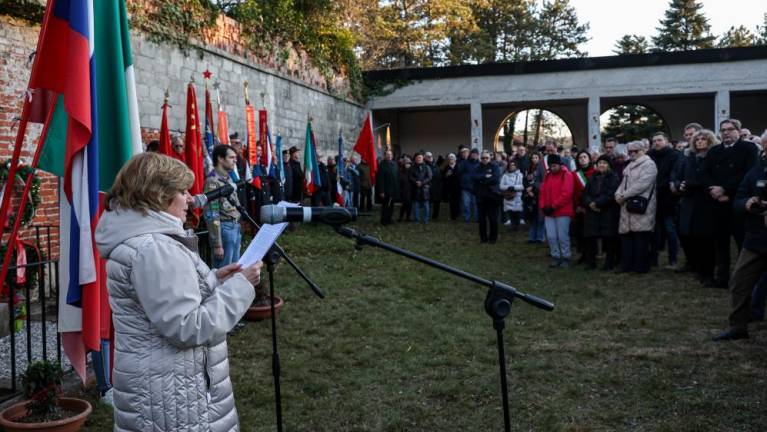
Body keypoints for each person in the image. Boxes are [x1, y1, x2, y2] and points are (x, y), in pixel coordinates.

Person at [94, 152, 261, 431]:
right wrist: (241, 287)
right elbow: (188, 327)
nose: (190, 198)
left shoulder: (144, 243)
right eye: (182, 191)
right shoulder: (154, 249)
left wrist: (215, 280)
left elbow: (165, 303)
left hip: (164, 388)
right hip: (174, 395)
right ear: (158, 195)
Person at [713, 154, 767, 341]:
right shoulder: (755, 172)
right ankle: (738, 327)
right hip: (756, 239)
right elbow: (737, 201)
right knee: (739, 283)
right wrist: (747, 203)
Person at [702, 119, 758, 287]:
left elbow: (747, 173)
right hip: (717, 202)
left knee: (742, 243)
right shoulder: (714, 151)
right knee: (720, 243)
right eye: (723, 130)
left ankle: (745, 279)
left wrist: (725, 189)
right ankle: (722, 278)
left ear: (738, 131)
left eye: (730, 129)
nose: (726, 132)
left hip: (737, 202)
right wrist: (713, 191)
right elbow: (705, 173)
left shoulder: (748, 148)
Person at [676, 129, 717, 284]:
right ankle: (700, 270)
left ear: (710, 140)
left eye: (703, 138)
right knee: (693, 238)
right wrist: (680, 185)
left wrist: (692, 183)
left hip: (706, 202)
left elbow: (709, 179)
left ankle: (709, 273)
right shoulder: (690, 158)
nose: (700, 141)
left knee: (706, 239)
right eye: (697, 139)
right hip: (689, 201)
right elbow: (681, 176)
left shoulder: (714, 157)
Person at [615, 141, 658, 274]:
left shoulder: (649, 165)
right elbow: (623, 183)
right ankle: (627, 265)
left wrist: (624, 195)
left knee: (641, 238)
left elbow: (642, 184)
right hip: (627, 205)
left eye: (635, 151)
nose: (632, 153)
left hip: (641, 204)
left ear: (643, 151)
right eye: (630, 151)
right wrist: (617, 194)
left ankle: (640, 267)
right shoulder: (629, 165)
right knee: (627, 237)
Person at [204, 145, 243, 268]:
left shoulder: (228, 178)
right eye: (231, 157)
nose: (235, 160)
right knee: (224, 272)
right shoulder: (212, 181)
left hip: (234, 226)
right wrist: (217, 244)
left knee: (234, 269)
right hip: (224, 230)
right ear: (220, 159)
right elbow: (212, 213)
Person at [648, 132, 681, 269]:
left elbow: (674, 174)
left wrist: (661, 186)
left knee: (670, 230)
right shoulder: (650, 155)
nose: (656, 142)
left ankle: (673, 259)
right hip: (653, 198)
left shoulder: (674, 155)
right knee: (654, 231)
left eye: (659, 140)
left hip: (668, 198)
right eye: (654, 140)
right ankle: (653, 259)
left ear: (666, 141)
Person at [582, 155, 621, 270]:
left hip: (607, 211)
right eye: (599, 163)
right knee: (591, 238)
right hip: (592, 212)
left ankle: (609, 263)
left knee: (609, 239)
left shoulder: (614, 177)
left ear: (609, 165)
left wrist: (597, 203)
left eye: (604, 163)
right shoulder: (593, 177)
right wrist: (590, 203)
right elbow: (585, 193)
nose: (601, 165)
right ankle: (591, 263)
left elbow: (610, 193)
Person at [539, 154, 574, 267]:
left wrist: (553, 206)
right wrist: (543, 206)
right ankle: (555, 255)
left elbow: (566, 194)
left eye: (554, 165)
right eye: (551, 166)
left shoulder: (566, 175)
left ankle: (566, 256)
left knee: (562, 236)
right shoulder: (548, 176)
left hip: (562, 211)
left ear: (559, 164)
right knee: (551, 236)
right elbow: (542, 192)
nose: (552, 168)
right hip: (549, 211)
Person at [572, 151, 595, 263]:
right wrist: (577, 206)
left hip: (591, 207)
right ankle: (583, 254)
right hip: (578, 208)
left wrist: (588, 205)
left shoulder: (595, 173)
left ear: (589, 159)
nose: (582, 159)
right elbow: (573, 192)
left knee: (590, 233)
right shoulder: (574, 174)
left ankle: (592, 255)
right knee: (580, 233)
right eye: (580, 157)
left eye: (585, 157)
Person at [474, 150, 502, 243]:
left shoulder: (495, 166)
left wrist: (483, 179)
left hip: (492, 196)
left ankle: (493, 238)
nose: (485, 159)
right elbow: (475, 177)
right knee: (481, 220)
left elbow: (495, 178)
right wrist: (486, 176)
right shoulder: (477, 167)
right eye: (483, 158)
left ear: (490, 158)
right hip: (481, 197)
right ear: (480, 158)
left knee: (493, 219)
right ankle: (483, 238)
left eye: (487, 158)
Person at [524, 152, 545, 243]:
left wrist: (533, 189)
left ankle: (540, 237)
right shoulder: (528, 169)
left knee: (540, 217)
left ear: (539, 158)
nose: (534, 159)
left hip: (538, 194)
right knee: (532, 217)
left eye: (536, 157)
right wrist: (527, 189)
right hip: (529, 195)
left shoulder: (542, 168)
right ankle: (532, 237)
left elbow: (542, 181)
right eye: (532, 157)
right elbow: (524, 180)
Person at [500, 160, 524, 230]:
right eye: (510, 165)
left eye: (513, 165)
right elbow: (501, 186)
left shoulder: (520, 175)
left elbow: (522, 186)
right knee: (510, 212)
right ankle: (513, 226)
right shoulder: (505, 175)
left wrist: (514, 187)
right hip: (508, 196)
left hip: (517, 197)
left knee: (517, 213)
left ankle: (517, 225)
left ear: (516, 166)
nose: (512, 166)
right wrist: (508, 187)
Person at [377, 150, 399, 225]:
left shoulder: (394, 164)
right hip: (386, 189)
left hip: (393, 189)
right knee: (386, 206)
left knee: (392, 205)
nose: (389, 156)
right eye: (387, 155)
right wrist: (381, 191)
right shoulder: (382, 165)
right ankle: (384, 220)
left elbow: (396, 176)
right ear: (385, 156)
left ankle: (389, 218)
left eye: (390, 154)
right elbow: (380, 179)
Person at [410, 152, 432, 224]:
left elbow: (429, 177)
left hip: (424, 189)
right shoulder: (412, 167)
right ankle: (416, 219)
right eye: (417, 158)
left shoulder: (427, 167)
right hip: (415, 188)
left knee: (426, 205)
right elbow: (410, 177)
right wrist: (416, 182)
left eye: (420, 157)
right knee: (415, 205)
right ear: (415, 159)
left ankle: (426, 219)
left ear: (423, 158)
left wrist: (422, 182)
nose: (419, 159)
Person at [458, 147, 479, 222]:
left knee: (476, 204)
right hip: (466, 187)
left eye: (476, 154)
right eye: (473, 154)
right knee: (466, 204)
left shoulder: (479, 163)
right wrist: (464, 180)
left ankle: (477, 218)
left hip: (476, 188)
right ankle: (467, 218)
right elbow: (459, 172)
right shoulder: (464, 162)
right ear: (470, 155)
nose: (474, 155)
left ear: (478, 155)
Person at [442, 153, 461, 220]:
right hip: (450, 187)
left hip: (458, 187)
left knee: (457, 201)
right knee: (452, 202)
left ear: (455, 159)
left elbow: (460, 176)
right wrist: (447, 175)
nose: (451, 160)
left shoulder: (458, 166)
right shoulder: (447, 167)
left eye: (452, 158)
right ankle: (453, 215)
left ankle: (457, 214)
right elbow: (444, 176)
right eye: (450, 159)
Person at [425, 152, 442, 220]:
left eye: (431, 156)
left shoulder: (435, 165)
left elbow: (439, 175)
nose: (430, 157)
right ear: (425, 157)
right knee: (428, 202)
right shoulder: (424, 165)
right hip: (428, 186)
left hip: (436, 186)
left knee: (436, 202)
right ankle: (427, 215)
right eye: (428, 156)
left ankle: (435, 215)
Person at [398, 157, 413, 222]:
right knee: (404, 205)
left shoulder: (411, 171)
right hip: (403, 190)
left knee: (409, 205)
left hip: (410, 190)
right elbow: (399, 181)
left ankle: (408, 217)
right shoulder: (401, 171)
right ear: (404, 164)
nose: (408, 165)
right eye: (406, 163)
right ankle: (401, 217)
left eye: (409, 163)